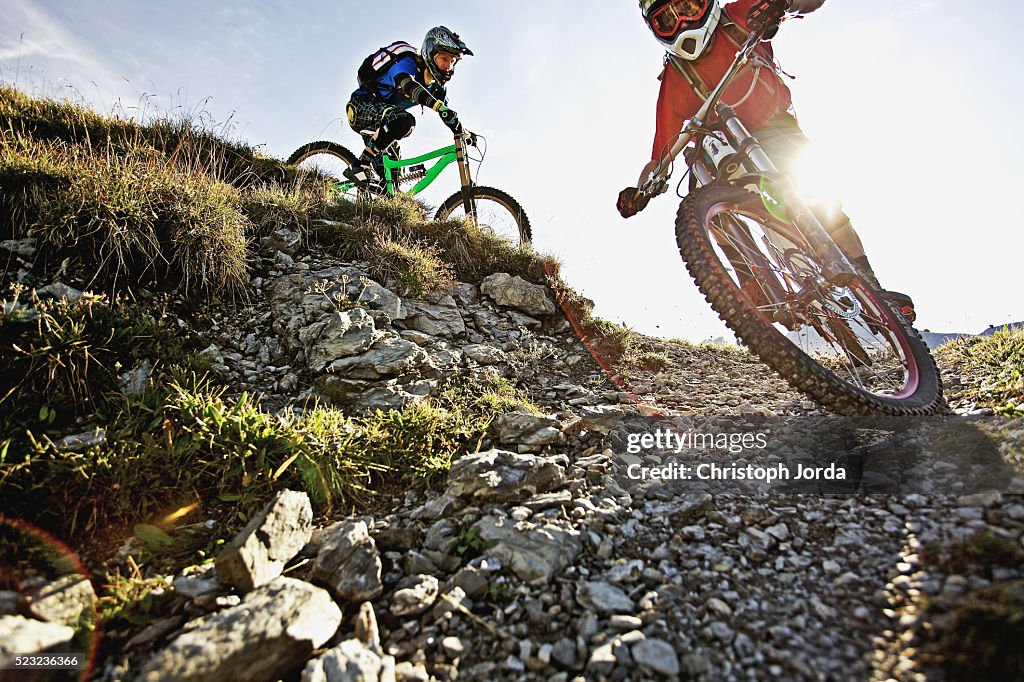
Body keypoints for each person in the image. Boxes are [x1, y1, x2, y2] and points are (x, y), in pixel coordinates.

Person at [617, 0, 915, 319]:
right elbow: (661, 152)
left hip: (772, 125)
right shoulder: (676, 76)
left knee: (820, 196)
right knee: (698, 193)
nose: (682, 23)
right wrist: (640, 189)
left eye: (688, 6)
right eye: (667, 20)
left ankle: (873, 289)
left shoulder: (736, 17)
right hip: (721, 146)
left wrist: (782, 4)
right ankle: (753, 284)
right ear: (656, 30)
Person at [343, 26, 472, 185]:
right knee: (405, 121)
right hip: (361, 108)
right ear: (430, 54)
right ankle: (359, 164)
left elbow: (447, 114)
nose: (449, 67)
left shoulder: (437, 88)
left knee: (392, 180)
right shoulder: (407, 63)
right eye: (444, 59)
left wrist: (463, 132)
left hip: (385, 123)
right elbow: (408, 85)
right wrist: (437, 106)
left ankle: (372, 205)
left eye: (453, 61)